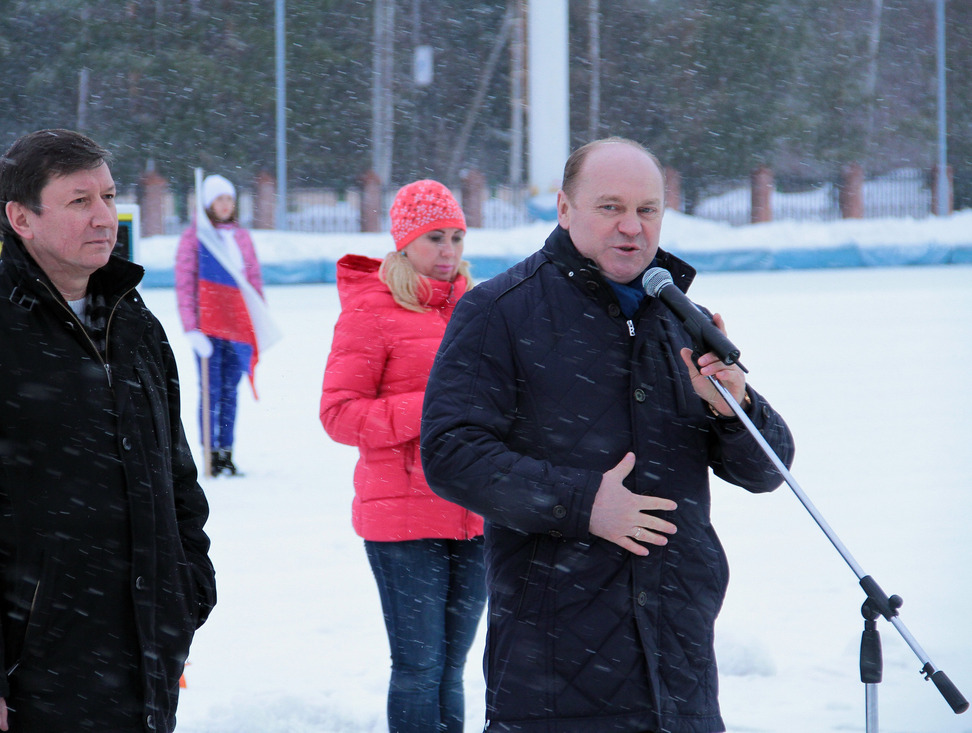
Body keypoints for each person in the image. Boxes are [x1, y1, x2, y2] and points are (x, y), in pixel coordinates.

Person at [420, 138, 795, 733]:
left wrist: (735, 407)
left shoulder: (678, 316)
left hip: (680, 664)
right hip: (555, 669)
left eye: (647, 210)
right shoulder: (500, 311)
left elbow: (768, 471)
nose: (631, 227)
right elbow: (451, 452)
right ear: (565, 209)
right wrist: (583, 503)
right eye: (610, 207)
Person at [0, 129, 216, 733]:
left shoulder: (136, 327)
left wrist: (185, 594)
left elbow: (176, 482)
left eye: (109, 196)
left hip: (142, 657)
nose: (105, 216)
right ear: (22, 218)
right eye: (79, 200)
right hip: (27, 678)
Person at [320, 179, 487, 733]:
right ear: (404, 243)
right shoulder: (372, 310)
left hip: (476, 511)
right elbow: (340, 414)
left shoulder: (478, 309)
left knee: (454, 670)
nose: (448, 252)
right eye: (435, 238)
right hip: (403, 519)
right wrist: (432, 407)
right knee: (419, 668)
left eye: (457, 238)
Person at [175, 173, 271, 477]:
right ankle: (210, 452)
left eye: (229, 198)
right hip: (208, 327)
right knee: (211, 390)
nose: (226, 204)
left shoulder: (241, 237)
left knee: (231, 389)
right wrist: (191, 328)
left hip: (237, 326)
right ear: (207, 204)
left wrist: (259, 318)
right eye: (219, 199)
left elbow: (253, 279)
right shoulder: (195, 238)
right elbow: (185, 285)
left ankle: (227, 451)